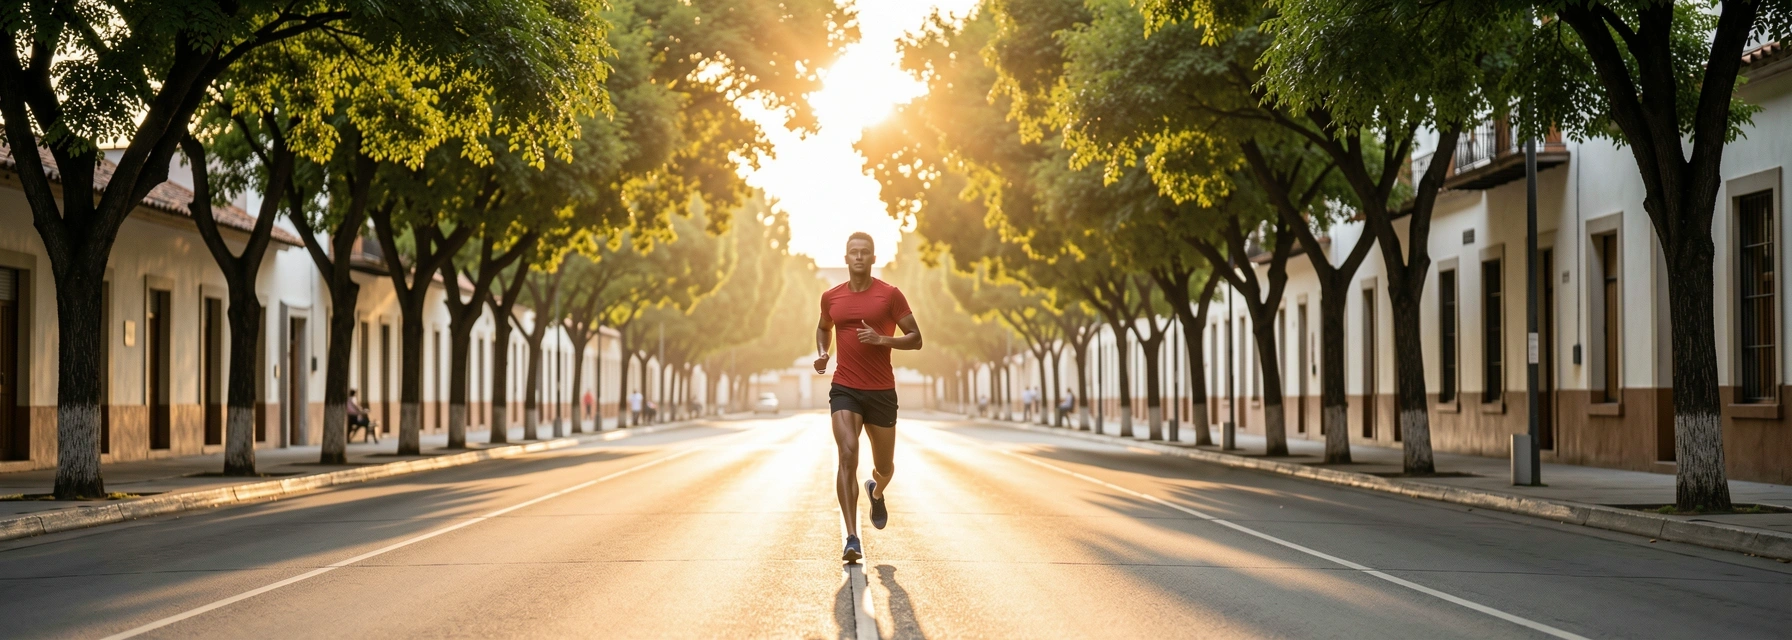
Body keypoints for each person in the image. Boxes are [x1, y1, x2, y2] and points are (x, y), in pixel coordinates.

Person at [815, 231, 922, 562]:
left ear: (873, 258)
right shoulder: (831, 297)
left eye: (864, 252)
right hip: (845, 387)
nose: (859, 256)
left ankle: (876, 490)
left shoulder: (890, 296)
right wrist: (823, 353)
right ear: (846, 258)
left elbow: (916, 338)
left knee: (884, 467)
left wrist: (882, 340)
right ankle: (851, 537)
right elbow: (824, 327)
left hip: (881, 392)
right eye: (853, 252)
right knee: (847, 454)